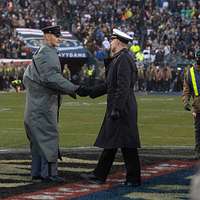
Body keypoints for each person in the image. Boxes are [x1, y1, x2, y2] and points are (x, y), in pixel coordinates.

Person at [80, 28, 141, 186]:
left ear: (119, 42)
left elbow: (123, 86)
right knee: (115, 142)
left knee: (124, 143)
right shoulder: (120, 58)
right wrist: (90, 92)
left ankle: (129, 178)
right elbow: (109, 85)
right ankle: (101, 175)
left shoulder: (123, 59)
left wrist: (117, 109)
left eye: (112, 40)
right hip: (121, 107)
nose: (110, 42)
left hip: (122, 108)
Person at [23, 25, 80, 183]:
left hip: (35, 105)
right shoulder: (47, 53)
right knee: (48, 137)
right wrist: (74, 88)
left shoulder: (41, 52)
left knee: (37, 140)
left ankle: (37, 172)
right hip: (43, 106)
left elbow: (26, 78)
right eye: (56, 35)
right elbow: (51, 78)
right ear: (47, 36)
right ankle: (49, 174)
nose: (59, 38)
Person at [182, 49, 200, 159]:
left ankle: (198, 151)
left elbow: (186, 90)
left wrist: (186, 101)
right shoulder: (190, 72)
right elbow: (186, 89)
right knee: (198, 130)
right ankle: (198, 151)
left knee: (198, 130)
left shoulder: (190, 71)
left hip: (197, 104)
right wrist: (186, 101)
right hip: (198, 105)